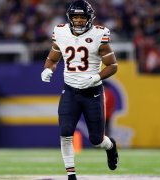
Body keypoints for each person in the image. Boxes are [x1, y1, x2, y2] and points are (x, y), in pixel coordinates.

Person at [41, 1, 119, 179]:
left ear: (89, 18)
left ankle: (111, 146)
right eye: (75, 17)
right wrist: (47, 69)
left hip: (93, 93)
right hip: (70, 91)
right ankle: (71, 175)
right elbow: (53, 59)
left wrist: (97, 77)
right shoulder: (60, 32)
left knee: (97, 140)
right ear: (69, 18)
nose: (78, 21)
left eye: (82, 17)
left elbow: (113, 66)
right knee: (65, 133)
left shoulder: (100, 34)